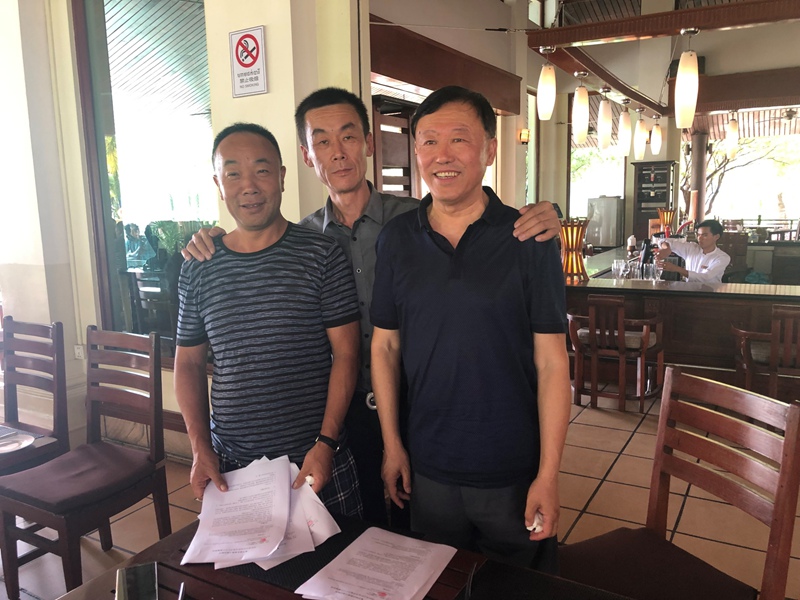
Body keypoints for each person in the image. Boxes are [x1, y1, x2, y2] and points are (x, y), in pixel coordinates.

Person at [181, 87, 563, 527]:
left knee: (412, 523)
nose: (337, 152)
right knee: (363, 531)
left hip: (414, 404)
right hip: (338, 414)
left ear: (368, 142)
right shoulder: (304, 241)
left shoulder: (411, 222)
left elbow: (475, 222)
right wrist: (210, 239)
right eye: (322, 141)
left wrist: (550, 213)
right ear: (307, 156)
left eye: (348, 136)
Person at [370, 86, 571, 570]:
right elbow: (385, 347)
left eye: (459, 139)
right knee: (437, 580)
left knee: (517, 584)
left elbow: (552, 363)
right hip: (428, 465)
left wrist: (548, 474)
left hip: (511, 467)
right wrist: (393, 445)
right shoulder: (397, 239)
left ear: (490, 149)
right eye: (428, 141)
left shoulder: (529, 237)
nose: (442, 155)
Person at [174, 123, 362, 517]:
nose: (249, 186)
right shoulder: (199, 266)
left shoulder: (321, 254)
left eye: (261, 170)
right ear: (218, 183)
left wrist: (326, 443)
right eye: (233, 174)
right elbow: (188, 363)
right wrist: (200, 448)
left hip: (313, 458)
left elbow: (346, 354)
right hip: (232, 466)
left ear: (281, 176)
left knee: (337, 557)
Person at [655, 219, 730, 283]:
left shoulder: (722, 257)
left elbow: (706, 277)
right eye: (698, 235)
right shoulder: (691, 248)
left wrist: (676, 269)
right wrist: (666, 248)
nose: (700, 238)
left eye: (704, 235)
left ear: (716, 237)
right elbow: (663, 241)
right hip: (689, 291)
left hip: (710, 293)